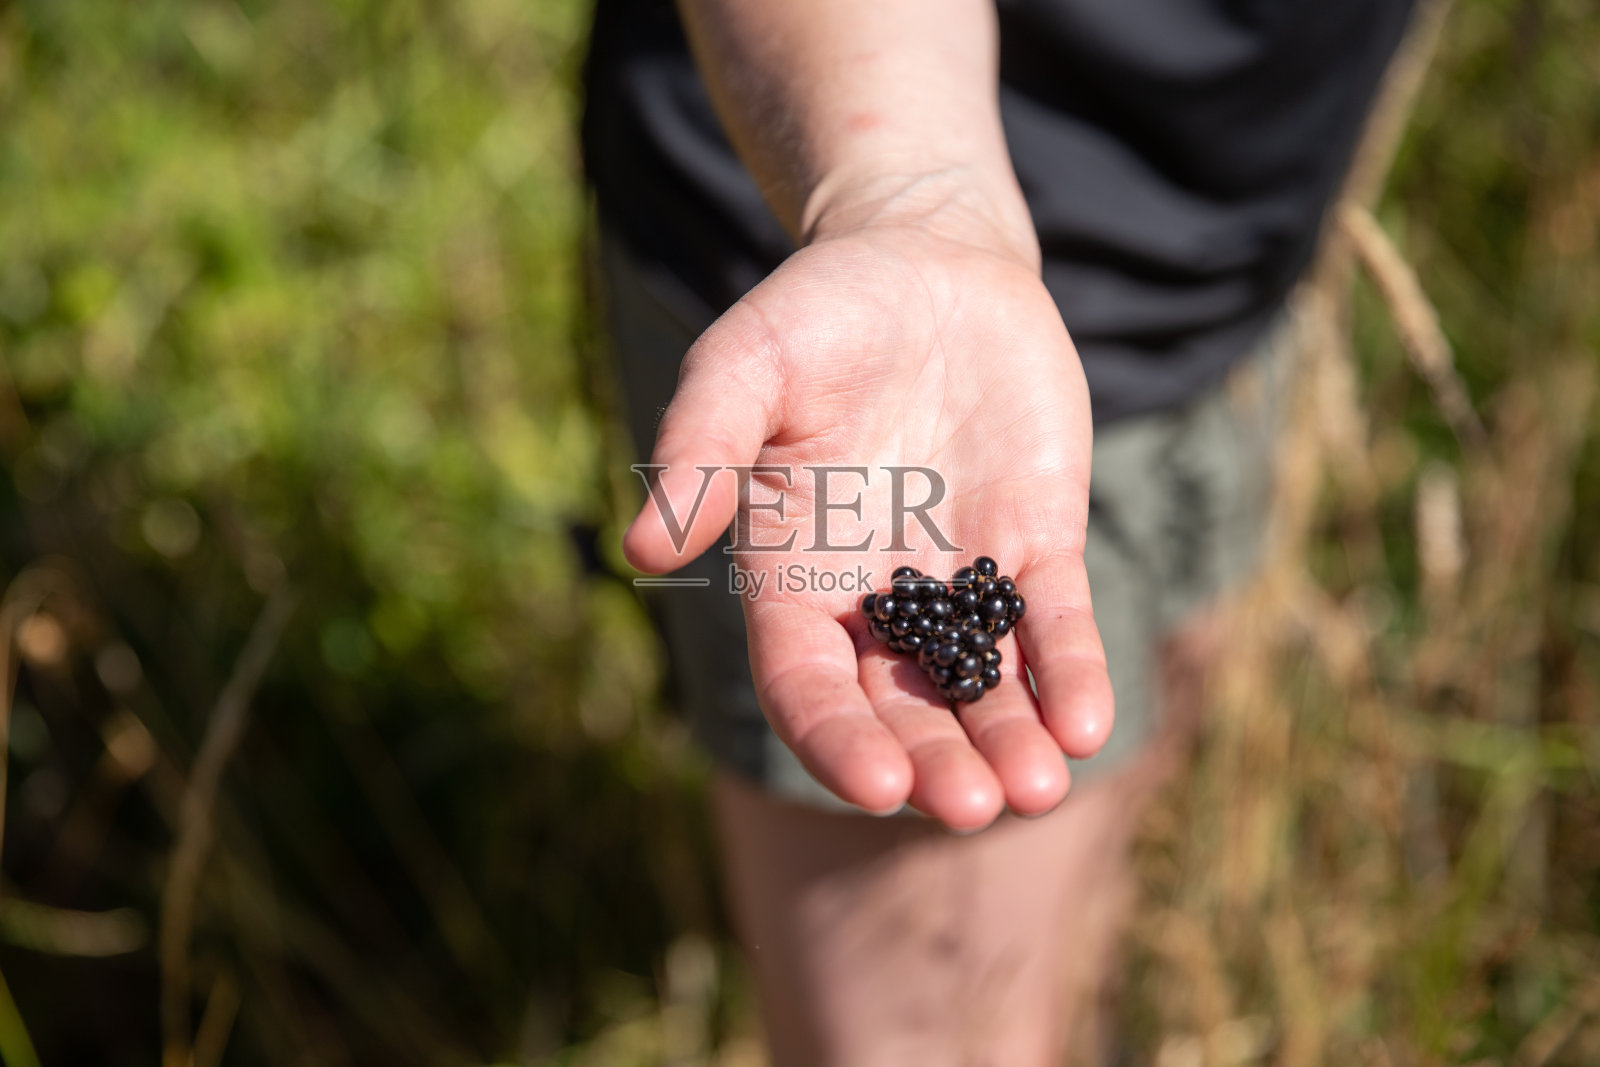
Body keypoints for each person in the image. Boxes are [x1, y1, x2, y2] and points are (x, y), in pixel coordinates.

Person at [583, 0, 1415, 1061]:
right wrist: (908, 201)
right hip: (860, 294)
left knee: (1080, 895)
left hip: (1229, 286)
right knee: (940, 1024)